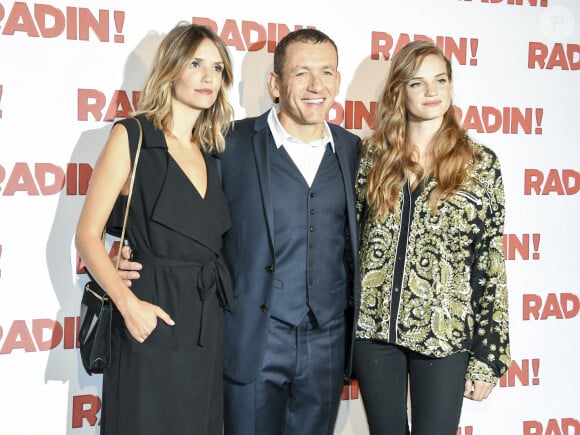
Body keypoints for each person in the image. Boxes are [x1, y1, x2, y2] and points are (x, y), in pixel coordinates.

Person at [118, 27, 360, 435]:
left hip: (328, 344)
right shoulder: (228, 144)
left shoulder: (356, 151)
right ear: (275, 83)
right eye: (301, 73)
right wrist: (126, 249)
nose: (317, 86)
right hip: (252, 339)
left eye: (328, 73)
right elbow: (179, 207)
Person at [75, 22, 234, 435]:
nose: (207, 77)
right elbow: (88, 235)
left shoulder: (212, 150)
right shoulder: (133, 135)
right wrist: (130, 307)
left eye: (216, 68)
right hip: (149, 314)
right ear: (172, 68)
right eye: (196, 63)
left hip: (204, 322)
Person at [352, 40, 511, 435]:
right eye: (418, 83)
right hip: (375, 332)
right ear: (398, 92)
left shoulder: (480, 164)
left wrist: (490, 356)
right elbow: (349, 246)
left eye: (440, 80)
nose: (432, 92)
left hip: (445, 331)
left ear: (451, 85)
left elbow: (490, 262)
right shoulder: (371, 157)